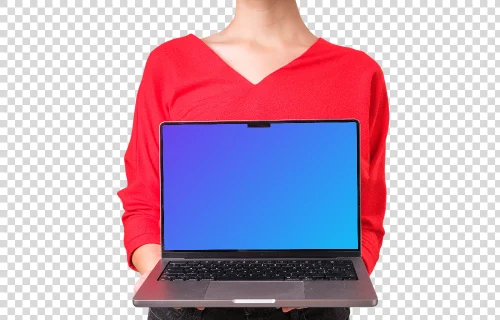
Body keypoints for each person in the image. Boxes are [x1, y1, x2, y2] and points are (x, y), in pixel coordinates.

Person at [117, 0, 389, 319]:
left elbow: (367, 218)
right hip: (191, 308)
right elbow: (142, 203)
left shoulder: (357, 72)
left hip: (313, 308)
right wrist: (162, 280)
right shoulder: (170, 63)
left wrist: (328, 288)